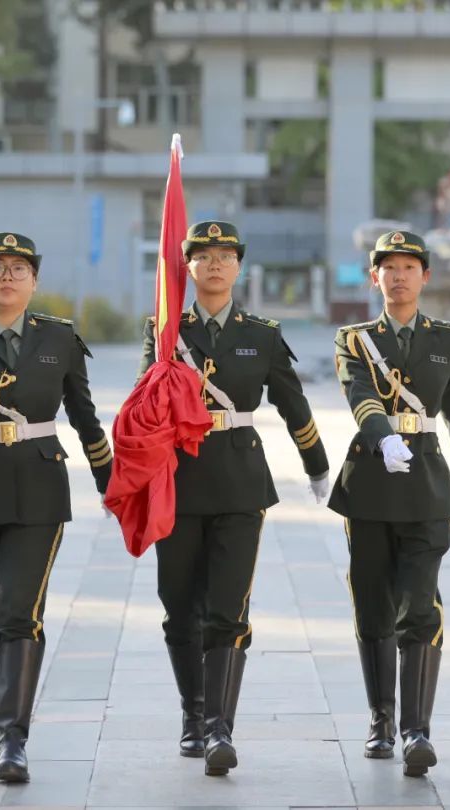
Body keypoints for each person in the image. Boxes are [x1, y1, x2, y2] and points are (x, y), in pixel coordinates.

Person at [134, 220, 329, 776]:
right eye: (203, 255)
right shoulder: (165, 329)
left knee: (228, 608)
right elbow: (147, 400)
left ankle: (219, 726)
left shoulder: (262, 333)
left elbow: (293, 404)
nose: (215, 263)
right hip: (181, 478)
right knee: (178, 606)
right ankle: (193, 714)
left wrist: (317, 467)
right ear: (187, 267)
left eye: (225, 255)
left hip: (241, 482)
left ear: (239, 266)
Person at [0, 232, 112, 783]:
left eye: (18, 268)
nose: (7, 276)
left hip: (39, 488)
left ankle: (14, 737)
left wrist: (111, 481)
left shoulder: (58, 338)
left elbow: (84, 415)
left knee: (19, 614)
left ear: (33, 281)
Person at [327, 230, 450, 777]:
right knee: (373, 606)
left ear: (425, 277)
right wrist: (380, 435)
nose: (398, 276)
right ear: (375, 278)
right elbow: (358, 391)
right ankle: (381, 720)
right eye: (387, 267)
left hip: (426, 486)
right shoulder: (356, 338)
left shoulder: (446, 337)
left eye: (408, 266)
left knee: (420, 604)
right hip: (371, 481)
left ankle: (417, 730)